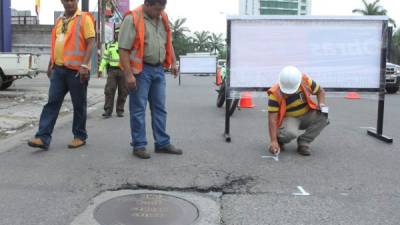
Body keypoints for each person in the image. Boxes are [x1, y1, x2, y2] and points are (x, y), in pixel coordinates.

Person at [28, 0, 95, 150]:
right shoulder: (59, 20)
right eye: (66, 0)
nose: (69, 3)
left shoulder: (84, 18)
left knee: (79, 105)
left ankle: (79, 136)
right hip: (58, 70)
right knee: (52, 103)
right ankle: (43, 137)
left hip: (77, 71)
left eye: (72, 0)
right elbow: (58, 43)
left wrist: (84, 66)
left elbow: (91, 42)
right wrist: (51, 63)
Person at [119, 0, 182, 159]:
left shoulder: (163, 17)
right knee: (138, 109)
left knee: (160, 108)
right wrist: (128, 75)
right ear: (147, 4)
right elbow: (123, 49)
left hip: (158, 70)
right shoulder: (132, 18)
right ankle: (139, 145)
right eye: (156, 9)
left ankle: (162, 143)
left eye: (162, 9)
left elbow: (167, 42)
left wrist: (173, 62)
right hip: (140, 71)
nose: (159, 12)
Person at [267, 66, 329, 156]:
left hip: (307, 114)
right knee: (289, 133)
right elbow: (272, 119)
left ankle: (304, 142)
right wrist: (273, 141)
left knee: (324, 116)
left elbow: (320, 91)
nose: (288, 93)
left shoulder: (306, 81)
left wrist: (321, 104)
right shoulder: (274, 94)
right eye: (286, 91)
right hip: (290, 118)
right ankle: (279, 139)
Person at [99, 26, 128, 118]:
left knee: (123, 91)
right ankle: (108, 110)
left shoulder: (128, 45)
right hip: (112, 71)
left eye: (120, 33)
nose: (118, 35)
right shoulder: (110, 45)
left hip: (124, 71)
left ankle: (120, 110)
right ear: (114, 34)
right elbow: (105, 58)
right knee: (109, 90)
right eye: (116, 33)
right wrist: (100, 68)